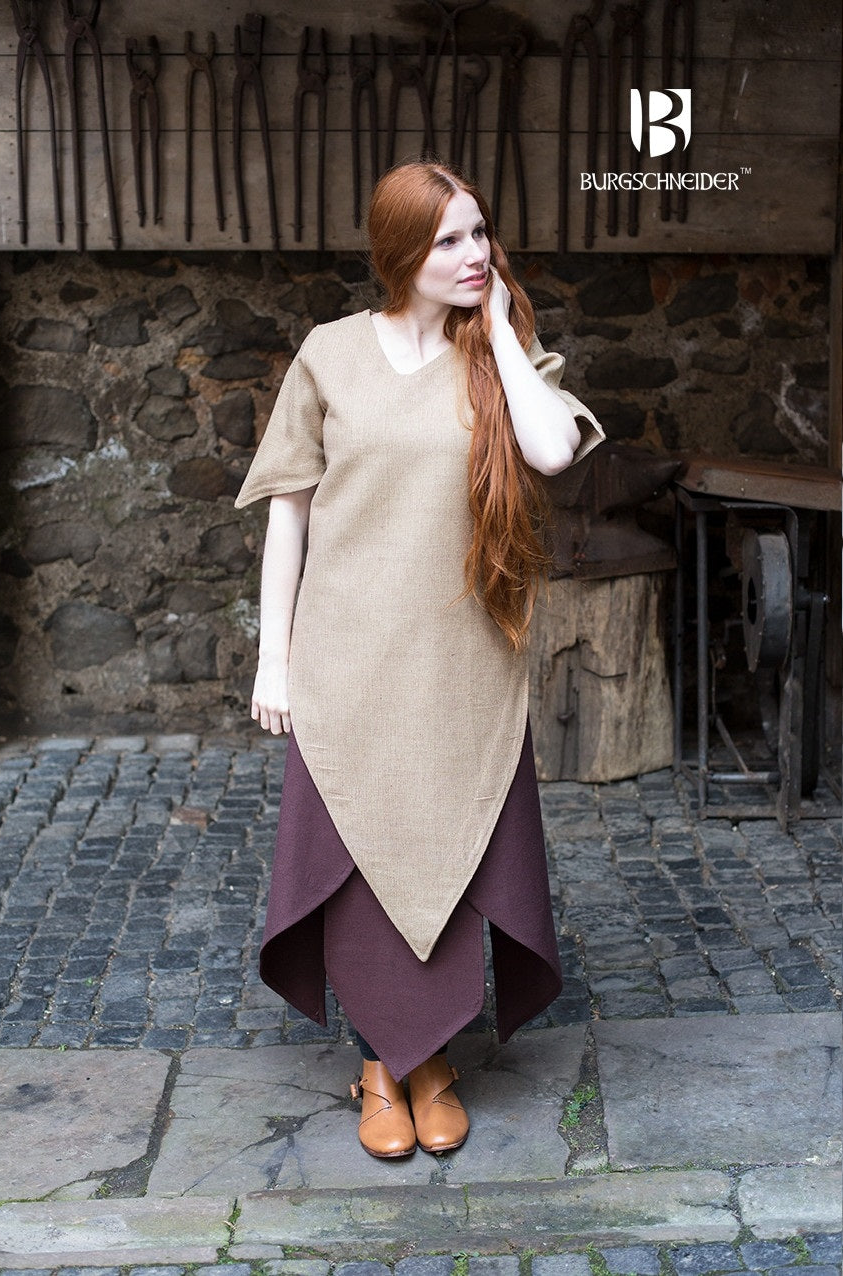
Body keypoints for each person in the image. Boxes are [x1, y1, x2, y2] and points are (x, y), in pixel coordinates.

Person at [234, 160, 604, 1160]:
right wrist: (275, 661)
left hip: (463, 663)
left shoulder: (499, 356)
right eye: (448, 240)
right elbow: (287, 516)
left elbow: (551, 451)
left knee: (454, 845)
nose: (474, 254)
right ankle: (379, 1067)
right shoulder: (329, 354)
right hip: (346, 657)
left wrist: (499, 334)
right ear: (402, 252)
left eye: (479, 233)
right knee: (360, 859)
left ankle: (431, 1062)